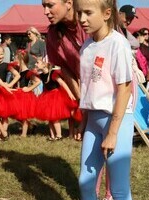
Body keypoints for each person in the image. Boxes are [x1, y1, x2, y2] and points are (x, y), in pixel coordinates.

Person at [76, 0, 135, 200]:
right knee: (85, 182)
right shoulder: (86, 47)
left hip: (116, 122)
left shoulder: (117, 44)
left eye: (88, 13)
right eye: (79, 12)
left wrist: (112, 133)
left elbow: (125, 87)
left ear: (107, 13)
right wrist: (83, 120)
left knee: (119, 191)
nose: (82, 19)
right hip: (93, 121)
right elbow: (89, 88)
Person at [43, 0, 88, 140]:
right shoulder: (53, 33)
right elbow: (64, 68)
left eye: (50, 5)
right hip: (88, 94)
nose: (45, 12)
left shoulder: (90, 23)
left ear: (68, 3)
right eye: (44, 6)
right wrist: (82, 99)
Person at [34, 57, 79, 141]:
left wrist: (70, 94)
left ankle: (59, 135)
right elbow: (45, 86)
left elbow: (62, 83)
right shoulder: (42, 75)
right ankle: (52, 135)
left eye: (37, 63)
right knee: (50, 118)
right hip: (48, 96)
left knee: (55, 117)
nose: (35, 64)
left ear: (44, 65)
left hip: (57, 96)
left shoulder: (53, 73)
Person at [8, 50, 41, 137]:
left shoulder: (28, 72)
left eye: (16, 59)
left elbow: (38, 81)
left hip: (25, 96)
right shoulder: (18, 71)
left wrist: (29, 88)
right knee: (15, 114)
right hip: (17, 94)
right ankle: (31, 126)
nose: (14, 60)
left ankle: (24, 133)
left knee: (24, 115)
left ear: (21, 60)